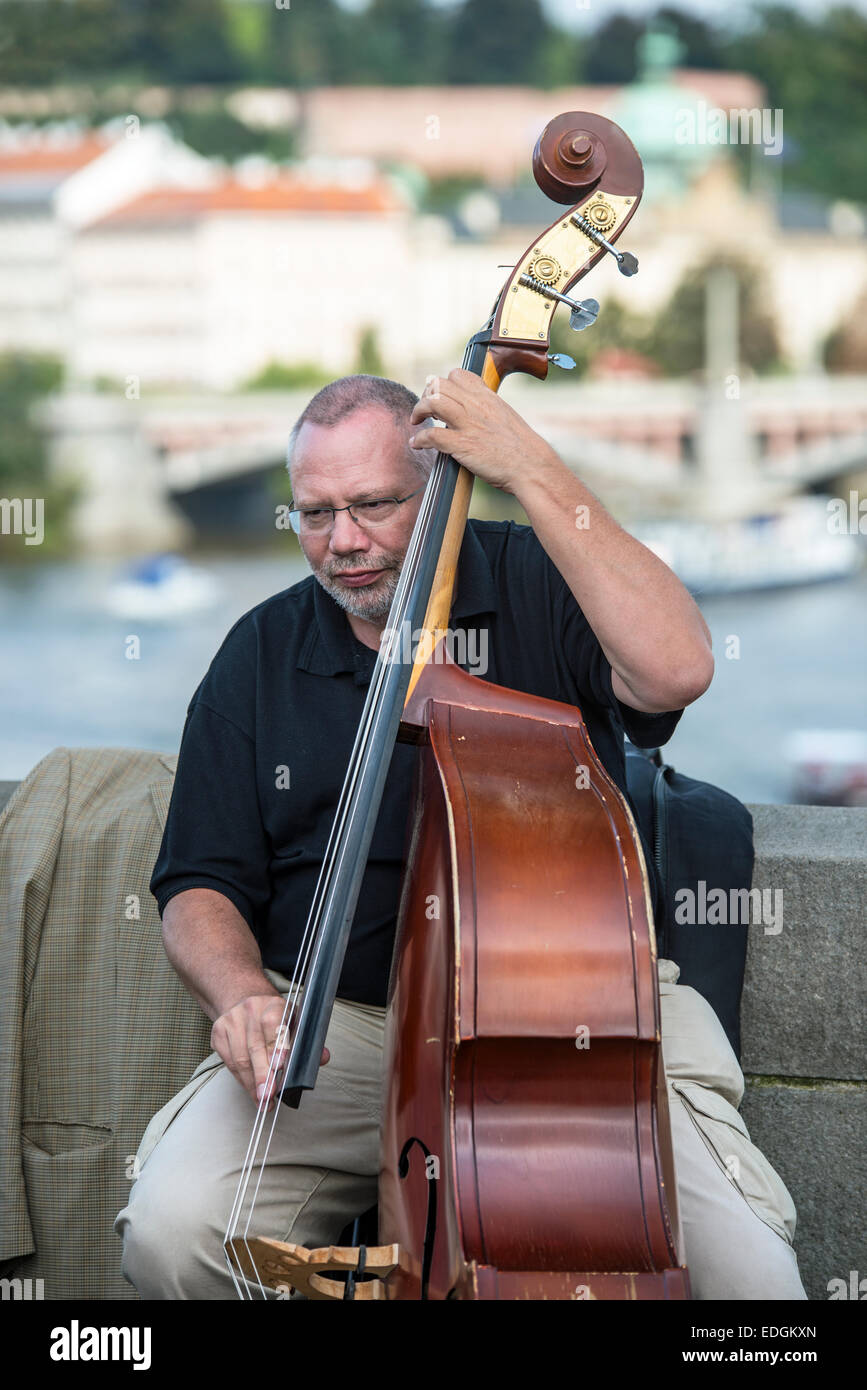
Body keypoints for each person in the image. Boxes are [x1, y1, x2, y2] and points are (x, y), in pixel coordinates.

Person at [115, 371, 806, 1300]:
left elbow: (676, 668)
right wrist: (241, 995)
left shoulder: (539, 579)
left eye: (372, 505)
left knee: (752, 1283)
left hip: (582, 1013)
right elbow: (198, 881)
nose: (343, 544)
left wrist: (527, 462)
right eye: (314, 516)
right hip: (348, 1034)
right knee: (171, 1230)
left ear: (438, 479)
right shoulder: (258, 653)